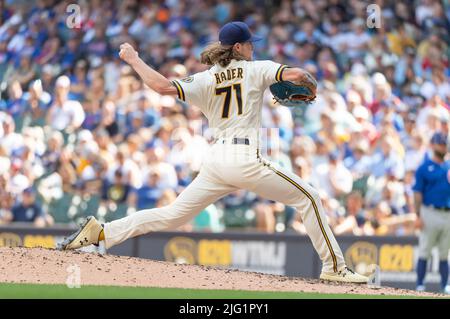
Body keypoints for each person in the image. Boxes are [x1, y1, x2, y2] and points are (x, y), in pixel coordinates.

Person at [60, 21, 368, 283]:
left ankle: (101, 232)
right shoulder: (257, 69)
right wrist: (311, 90)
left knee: (171, 215)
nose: (252, 48)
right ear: (237, 48)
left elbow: (163, 87)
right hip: (243, 158)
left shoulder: (205, 79)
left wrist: (134, 59)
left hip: (217, 161)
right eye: (249, 44)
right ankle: (335, 268)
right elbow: (301, 77)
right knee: (309, 197)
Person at [413, 132, 450, 294]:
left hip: (447, 213)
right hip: (429, 211)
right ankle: (420, 284)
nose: (442, 146)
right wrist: (417, 215)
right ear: (433, 145)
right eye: (440, 143)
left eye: (444, 143)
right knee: (425, 250)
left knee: (444, 253)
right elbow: (417, 193)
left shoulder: (448, 166)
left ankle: (445, 285)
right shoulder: (423, 167)